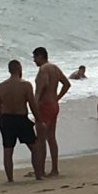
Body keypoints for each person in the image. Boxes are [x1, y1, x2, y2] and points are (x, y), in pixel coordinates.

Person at [0, 60, 44, 182]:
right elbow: (32, 105)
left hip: (7, 119)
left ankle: (10, 179)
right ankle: (38, 175)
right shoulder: (26, 85)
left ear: (9, 70)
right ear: (19, 69)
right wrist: (39, 120)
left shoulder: (0, 87)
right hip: (21, 119)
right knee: (35, 148)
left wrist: (0, 124)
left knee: (8, 150)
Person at [32, 48, 70, 176]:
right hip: (54, 104)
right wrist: (57, 98)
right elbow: (66, 84)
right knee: (51, 138)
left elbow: (40, 90)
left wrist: (34, 108)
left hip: (45, 106)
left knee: (40, 140)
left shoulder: (43, 70)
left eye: (35, 57)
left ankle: (41, 170)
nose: (34, 60)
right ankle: (54, 168)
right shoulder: (55, 68)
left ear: (41, 56)